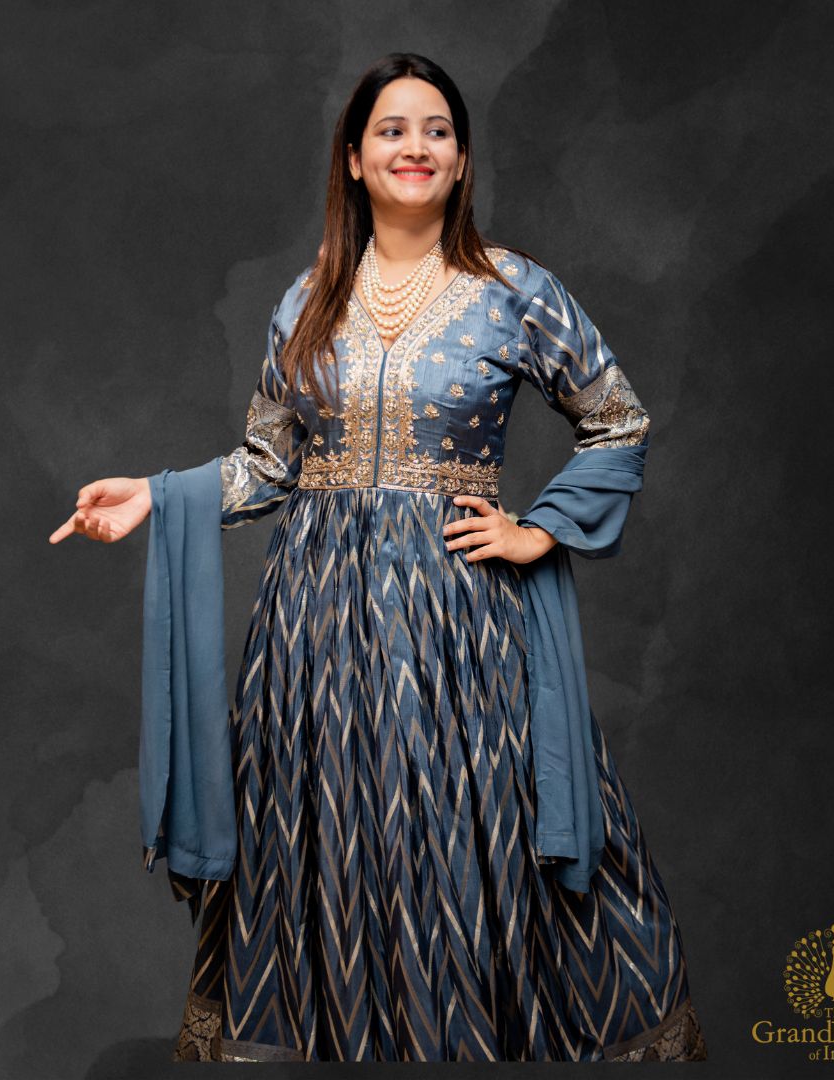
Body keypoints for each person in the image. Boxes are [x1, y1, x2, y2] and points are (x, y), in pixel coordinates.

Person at [49, 53, 708, 1063]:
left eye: (437, 130)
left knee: (465, 842)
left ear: (463, 159)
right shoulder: (305, 301)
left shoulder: (513, 290)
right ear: (354, 158)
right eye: (392, 130)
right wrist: (153, 494)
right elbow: (269, 465)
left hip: (460, 626)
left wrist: (539, 529)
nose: (416, 147)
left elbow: (616, 421)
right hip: (313, 630)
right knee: (329, 844)